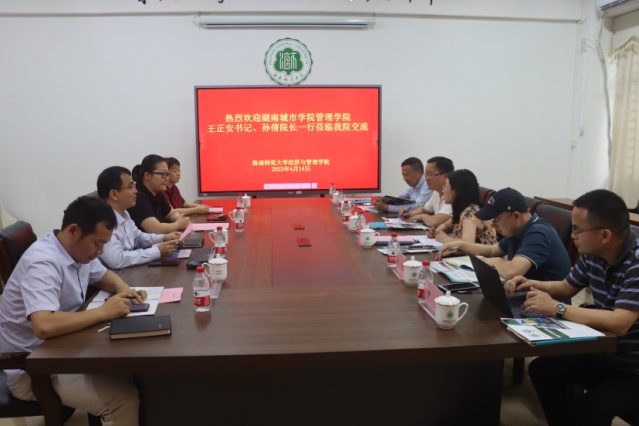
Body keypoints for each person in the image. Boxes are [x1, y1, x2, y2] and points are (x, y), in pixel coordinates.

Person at [0, 196, 144, 425]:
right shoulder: (43, 262)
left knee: (131, 369)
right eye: (97, 243)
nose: (100, 251)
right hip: (34, 368)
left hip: (63, 351)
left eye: (104, 244)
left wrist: (124, 289)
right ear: (74, 231)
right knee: (122, 399)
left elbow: (103, 275)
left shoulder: (76, 251)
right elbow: (44, 325)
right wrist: (105, 311)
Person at [505, 189, 639, 426]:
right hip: (606, 353)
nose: (572, 235)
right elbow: (566, 287)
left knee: (591, 408)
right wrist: (530, 283)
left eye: (577, 230)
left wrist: (558, 309)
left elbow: (621, 322)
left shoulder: (636, 261)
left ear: (605, 235)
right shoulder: (593, 253)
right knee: (542, 370)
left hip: (632, 367)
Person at [437, 187, 570, 281]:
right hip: (525, 295)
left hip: (546, 304)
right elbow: (491, 250)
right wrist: (459, 244)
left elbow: (512, 271)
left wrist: (492, 261)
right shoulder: (517, 229)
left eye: (497, 222)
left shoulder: (538, 233)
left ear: (516, 216)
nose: (494, 227)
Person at [97, 166, 181, 269]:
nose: (135, 191)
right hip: (116, 274)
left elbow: (138, 237)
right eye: (130, 187)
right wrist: (157, 251)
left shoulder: (124, 213)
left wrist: (163, 238)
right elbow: (117, 260)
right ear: (114, 194)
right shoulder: (102, 222)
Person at [427, 169, 496, 245]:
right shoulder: (462, 209)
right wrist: (436, 231)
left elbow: (468, 243)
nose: (443, 191)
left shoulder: (470, 213)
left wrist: (445, 238)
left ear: (457, 191)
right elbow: (447, 225)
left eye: (445, 187)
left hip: (481, 253)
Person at [127, 154, 190, 234]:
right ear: (148, 175)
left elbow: (170, 214)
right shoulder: (138, 196)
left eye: (168, 174)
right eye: (163, 174)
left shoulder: (157, 192)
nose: (167, 179)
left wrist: (180, 219)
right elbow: (155, 229)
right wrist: (178, 224)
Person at [399, 156, 454, 228]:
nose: (426, 178)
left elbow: (434, 222)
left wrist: (422, 216)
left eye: (430, 174)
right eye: (426, 174)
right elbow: (424, 209)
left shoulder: (453, 196)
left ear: (445, 176)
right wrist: (410, 213)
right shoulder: (436, 193)